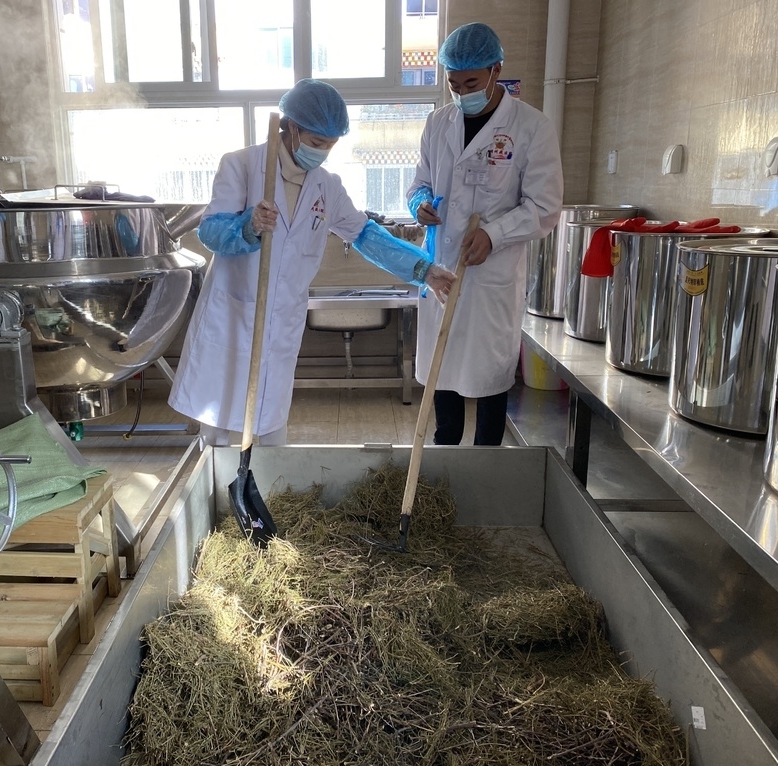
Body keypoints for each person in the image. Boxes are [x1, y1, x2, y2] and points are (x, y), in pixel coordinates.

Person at [169, 78, 456, 448]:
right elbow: (211, 231)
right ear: (291, 127)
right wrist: (248, 225)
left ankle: (267, 481)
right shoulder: (242, 165)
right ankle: (220, 481)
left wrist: (425, 270)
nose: (322, 152)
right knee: (219, 431)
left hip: (281, 323)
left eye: (330, 145)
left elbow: (365, 234)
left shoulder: (327, 186)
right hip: (233, 318)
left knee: (271, 429)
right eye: (317, 143)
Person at [407, 22, 563, 446]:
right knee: (442, 371)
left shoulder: (531, 127)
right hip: (443, 266)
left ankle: (488, 462)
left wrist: (495, 234)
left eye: (471, 83)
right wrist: (419, 202)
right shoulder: (438, 122)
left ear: (496, 70)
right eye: (454, 84)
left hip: (490, 275)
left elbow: (544, 207)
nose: (461, 93)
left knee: (489, 378)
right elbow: (420, 182)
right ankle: (444, 455)